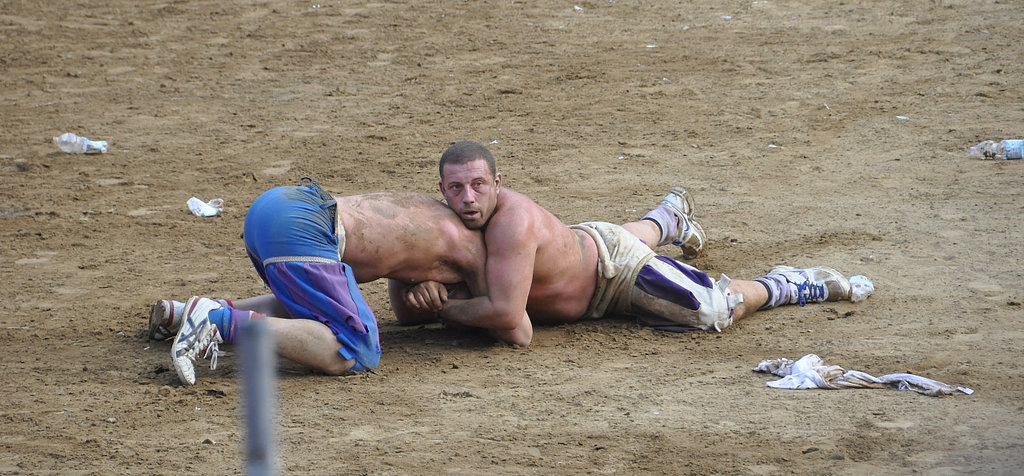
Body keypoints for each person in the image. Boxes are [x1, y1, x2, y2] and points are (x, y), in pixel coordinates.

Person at [393, 140, 864, 336]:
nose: (468, 197)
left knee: (712, 310)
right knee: (596, 238)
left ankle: (785, 283)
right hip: (584, 246)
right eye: (456, 188)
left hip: (612, 274)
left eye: (479, 185)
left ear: (498, 183)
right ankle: (668, 219)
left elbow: (506, 315)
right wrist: (412, 289)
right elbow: (404, 313)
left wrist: (444, 306)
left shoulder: (512, 223)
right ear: (442, 191)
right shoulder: (443, 222)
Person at [158, 178, 519, 385]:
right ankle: (217, 322)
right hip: (306, 228)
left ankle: (183, 314)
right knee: (356, 349)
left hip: (276, 205)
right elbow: (515, 326)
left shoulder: (430, 209)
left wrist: (424, 291)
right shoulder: (473, 248)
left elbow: (404, 304)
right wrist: (452, 309)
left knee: (314, 304)